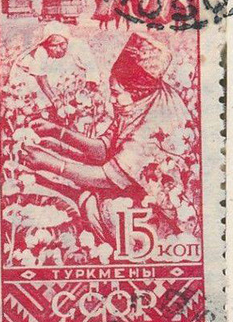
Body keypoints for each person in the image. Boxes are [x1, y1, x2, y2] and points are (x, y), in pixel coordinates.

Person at [21, 32, 195, 245]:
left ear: (137, 92)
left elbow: (106, 176)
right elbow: (104, 147)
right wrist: (59, 136)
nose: (111, 99)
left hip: (166, 214)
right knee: (89, 195)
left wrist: (51, 164)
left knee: (101, 205)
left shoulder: (154, 125)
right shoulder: (136, 106)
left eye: (116, 93)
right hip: (140, 191)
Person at [12, 22, 103, 133]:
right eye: (54, 45)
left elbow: (92, 69)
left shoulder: (79, 46)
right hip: (43, 82)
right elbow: (40, 77)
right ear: (46, 44)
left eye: (62, 44)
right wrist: (55, 100)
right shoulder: (41, 51)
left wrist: (84, 94)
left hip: (74, 85)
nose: (59, 49)